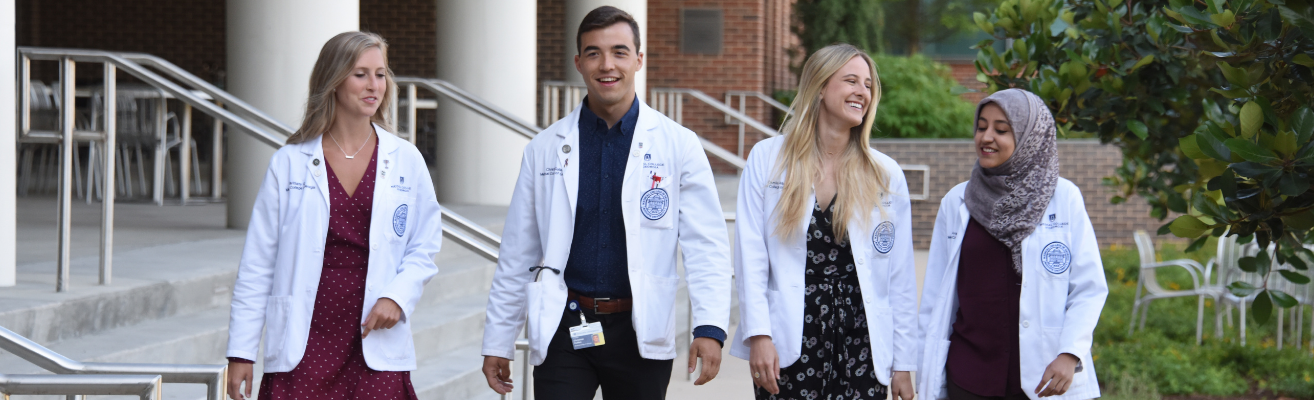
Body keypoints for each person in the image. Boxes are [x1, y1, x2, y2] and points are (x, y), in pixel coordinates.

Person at [479, 6, 733, 400]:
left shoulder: (678, 145)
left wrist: (710, 328)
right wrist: (499, 339)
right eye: (594, 53)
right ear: (579, 63)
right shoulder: (544, 149)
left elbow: (707, 246)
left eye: (619, 51)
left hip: (639, 328)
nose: (607, 64)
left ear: (638, 59)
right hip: (566, 326)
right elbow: (517, 252)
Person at [224, 31, 442, 400]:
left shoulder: (406, 159)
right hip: (305, 335)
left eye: (381, 73)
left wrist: (397, 297)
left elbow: (424, 245)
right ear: (333, 80)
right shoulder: (289, 162)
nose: (374, 85)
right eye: (360, 74)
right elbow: (258, 263)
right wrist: (241, 351)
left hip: (374, 331)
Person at [731, 43, 917, 400]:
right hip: (789, 341)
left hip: (862, 341)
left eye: (867, 85)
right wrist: (758, 335)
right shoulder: (768, 159)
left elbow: (900, 278)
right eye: (850, 80)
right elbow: (751, 257)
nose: (862, 92)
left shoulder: (885, 174)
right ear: (819, 87)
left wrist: (904, 363)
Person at [915, 88, 1108, 400]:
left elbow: (1088, 288)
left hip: (1046, 377)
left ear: (1032, 136)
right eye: (982, 127)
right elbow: (936, 298)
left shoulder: (1063, 197)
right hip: (969, 376)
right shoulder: (957, 202)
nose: (987, 137)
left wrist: (1070, 353)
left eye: (1001, 130)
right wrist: (923, 372)